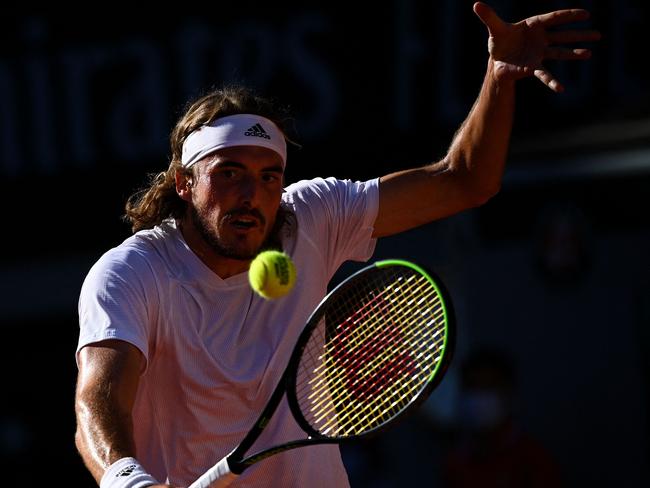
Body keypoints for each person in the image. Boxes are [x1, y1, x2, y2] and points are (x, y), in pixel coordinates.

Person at [74, 3, 600, 487]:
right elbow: (98, 398)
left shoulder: (314, 217)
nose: (251, 195)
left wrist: (498, 80)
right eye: (228, 173)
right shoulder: (131, 273)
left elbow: (465, 180)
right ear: (184, 183)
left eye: (268, 176)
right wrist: (125, 478)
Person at [443, 348, 562, 488]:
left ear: (508, 393)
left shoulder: (534, 461)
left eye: (488, 386)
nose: (480, 397)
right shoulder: (454, 464)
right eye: (473, 386)